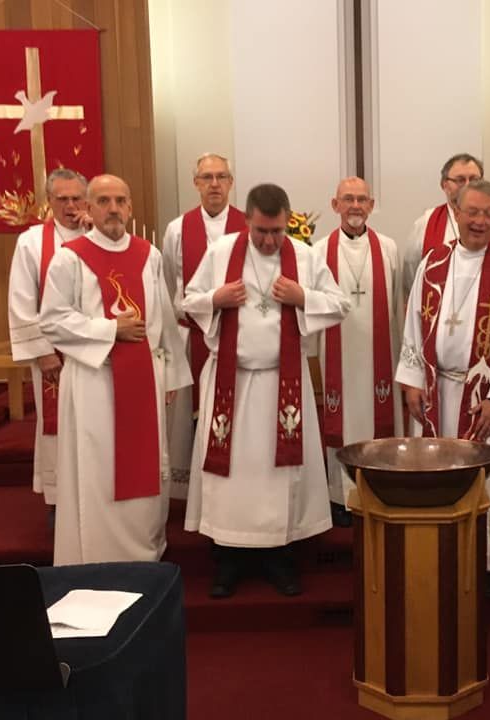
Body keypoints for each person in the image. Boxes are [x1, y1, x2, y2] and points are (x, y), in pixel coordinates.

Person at [182, 183, 350, 598]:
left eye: (276, 232)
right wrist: (216, 298)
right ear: (248, 220)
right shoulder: (221, 253)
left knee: (280, 475)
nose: (270, 241)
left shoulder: (305, 257)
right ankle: (227, 559)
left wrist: (302, 295)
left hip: (282, 385)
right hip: (231, 385)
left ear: (287, 222)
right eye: (261, 231)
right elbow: (187, 301)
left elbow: (340, 304)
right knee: (231, 476)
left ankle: (280, 558)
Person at [396, 180, 490, 595]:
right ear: (455, 212)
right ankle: (439, 552)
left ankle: (488, 562)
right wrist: (410, 381)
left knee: (488, 478)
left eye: (489, 213)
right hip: (437, 393)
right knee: (438, 476)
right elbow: (413, 326)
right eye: (473, 212)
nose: (481, 221)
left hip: (485, 400)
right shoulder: (433, 263)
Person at [39, 174, 191, 565]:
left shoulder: (150, 255)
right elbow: (52, 320)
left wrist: (171, 373)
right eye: (103, 201)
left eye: (120, 200)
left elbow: (165, 322)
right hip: (94, 382)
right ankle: (96, 556)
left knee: (145, 470)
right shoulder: (70, 257)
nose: (113, 209)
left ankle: (144, 551)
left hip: (143, 378)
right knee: (98, 468)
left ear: (131, 207)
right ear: (88, 209)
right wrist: (110, 330)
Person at [312, 176, 403, 527]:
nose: (355, 206)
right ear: (335, 205)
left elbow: (398, 304)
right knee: (342, 423)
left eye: (361, 199)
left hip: (381, 356)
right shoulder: (319, 251)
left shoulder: (389, 249)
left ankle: (379, 489)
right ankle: (339, 496)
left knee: (379, 423)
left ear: (372, 204)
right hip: (338, 356)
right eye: (347, 199)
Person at [162, 153, 247, 499]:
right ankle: (190, 491)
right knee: (187, 420)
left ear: (231, 182)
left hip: (238, 337)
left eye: (221, 177)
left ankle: (233, 483)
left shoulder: (247, 224)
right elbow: (170, 284)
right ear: (195, 183)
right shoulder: (177, 229)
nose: (214, 184)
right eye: (207, 177)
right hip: (190, 336)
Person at [7, 168, 89, 509]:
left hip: (96, 351)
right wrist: (42, 352)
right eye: (62, 199)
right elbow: (22, 300)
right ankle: (60, 506)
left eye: (76, 198)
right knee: (58, 427)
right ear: (49, 201)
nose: (70, 206)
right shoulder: (31, 242)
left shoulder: (101, 235)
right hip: (54, 356)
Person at [402, 153, 490, 297]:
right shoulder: (426, 223)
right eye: (460, 180)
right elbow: (411, 275)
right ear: (444, 185)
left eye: (474, 179)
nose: (468, 185)